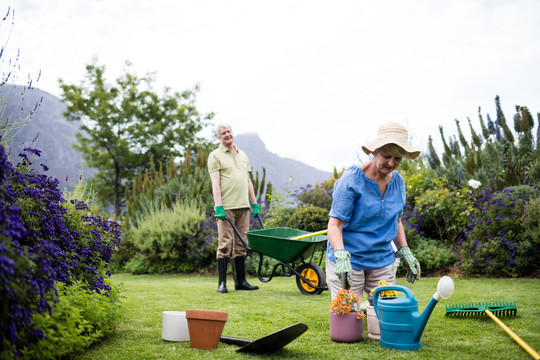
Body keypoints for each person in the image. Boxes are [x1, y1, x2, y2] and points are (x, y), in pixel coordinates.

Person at [326, 121, 422, 302]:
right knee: (347, 318)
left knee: (385, 318)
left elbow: (396, 221)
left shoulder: (398, 182)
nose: (391, 163)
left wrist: (404, 250)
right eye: (386, 156)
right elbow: (335, 224)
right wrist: (340, 254)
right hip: (349, 260)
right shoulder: (352, 179)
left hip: (382, 261)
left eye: (398, 159)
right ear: (374, 152)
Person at [208, 123, 260, 293]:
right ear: (219, 137)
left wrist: (254, 203)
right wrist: (219, 206)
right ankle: (222, 284)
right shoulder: (215, 156)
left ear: (233, 133)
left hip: (243, 206)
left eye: (229, 131)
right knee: (224, 244)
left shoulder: (243, 155)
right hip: (226, 208)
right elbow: (215, 183)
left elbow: (248, 180)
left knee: (241, 244)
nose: (227, 135)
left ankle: (241, 282)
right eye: (223, 133)